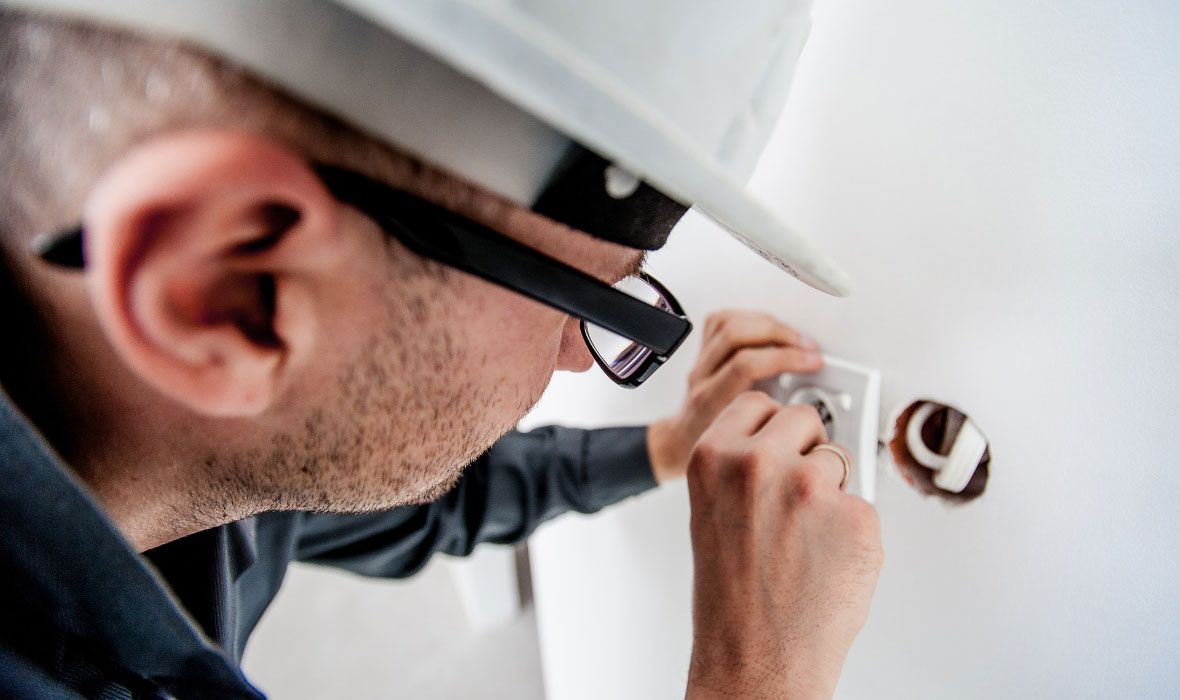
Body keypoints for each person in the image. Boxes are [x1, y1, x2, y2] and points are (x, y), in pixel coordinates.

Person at [0, 3, 882, 699]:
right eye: (588, 302)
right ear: (227, 293)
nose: (580, 358)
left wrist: (666, 445)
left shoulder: (204, 445)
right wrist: (755, 688)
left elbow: (423, 502)